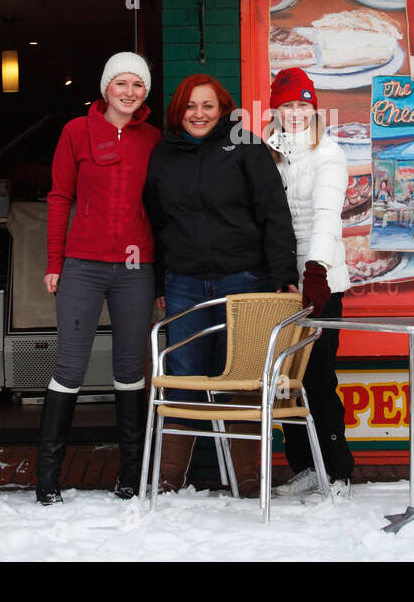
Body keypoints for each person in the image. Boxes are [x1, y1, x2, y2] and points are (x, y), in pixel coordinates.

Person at [143, 73, 297, 496]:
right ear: (179, 111)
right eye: (190, 107)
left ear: (223, 108)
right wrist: (161, 279)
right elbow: (156, 225)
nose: (199, 114)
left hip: (244, 280)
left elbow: (274, 214)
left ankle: (249, 480)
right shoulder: (163, 154)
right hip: (185, 283)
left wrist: (284, 276)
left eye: (207, 106)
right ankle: (170, 480)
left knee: (243, 376)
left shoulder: (246, 146)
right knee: (184, 375)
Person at [37, 52, 162, 505]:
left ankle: (130, 475)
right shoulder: (76, 131)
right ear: (106, 87)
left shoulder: (153, 138)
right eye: (121, 84)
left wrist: (161, 278)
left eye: (138, 85)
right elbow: (58, 197)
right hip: (83, 266)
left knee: (130, 370)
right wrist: (55, 261)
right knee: (69, 367)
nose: (129, 93)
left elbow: (163, 210)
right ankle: (48, 478)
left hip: (136, 268)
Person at [263, 68, 355, 498]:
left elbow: (325, 216)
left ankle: (338, 470)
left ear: (313, 109)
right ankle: (303, 465)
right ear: (276, 110)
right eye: (287, 106)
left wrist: (314, 271)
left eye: (302, 105)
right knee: (286, 378)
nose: (295, 113)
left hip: (320, 281)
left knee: (318, 376)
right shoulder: (270, 152)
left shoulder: (329, 153)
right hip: (282, 280)